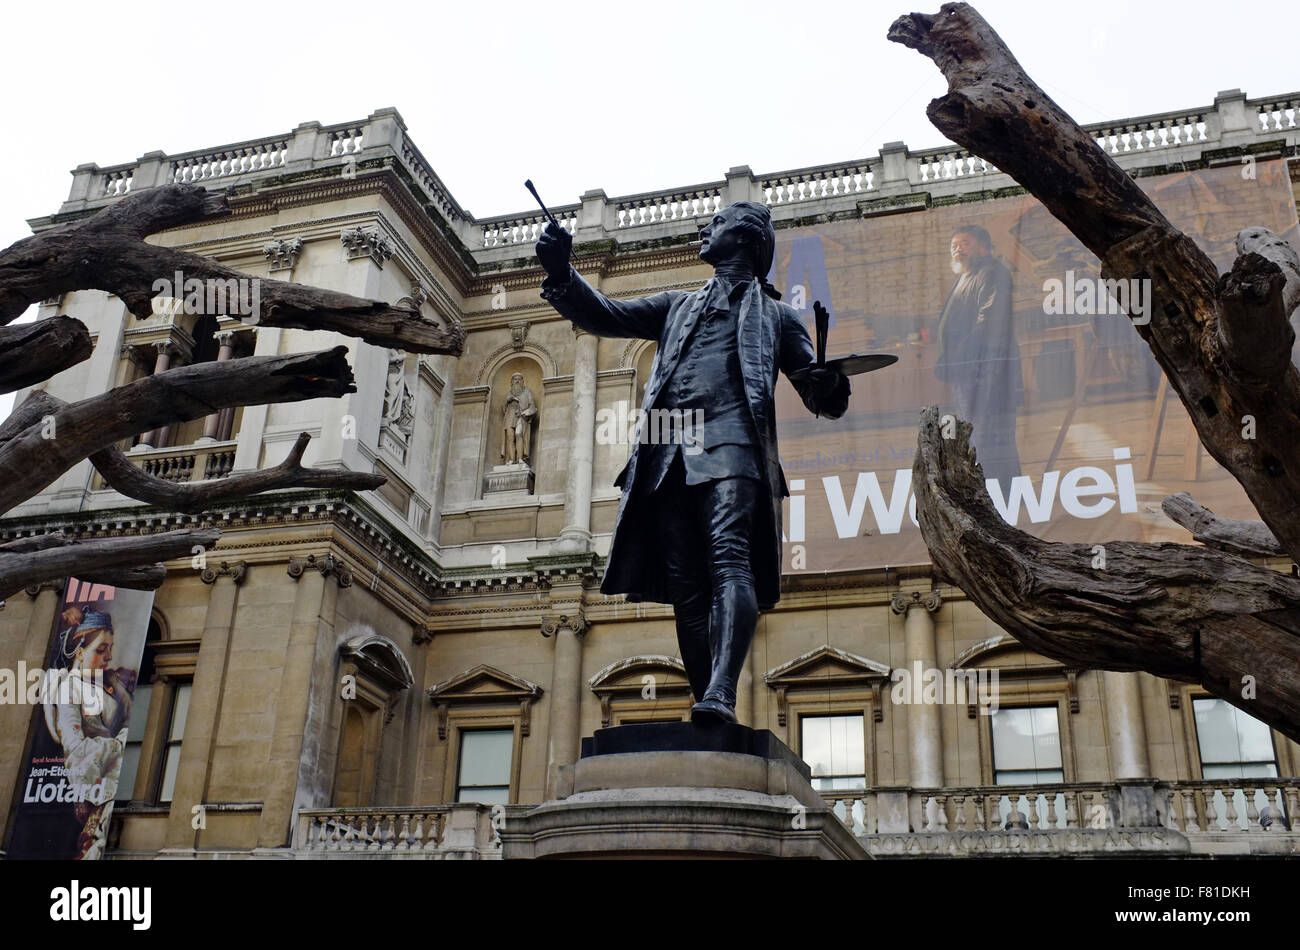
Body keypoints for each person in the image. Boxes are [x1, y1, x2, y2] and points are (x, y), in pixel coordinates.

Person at [536, 202, 850, 724]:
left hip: (734, 448)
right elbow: (605, 315)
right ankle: (709, 700)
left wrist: (830, 382)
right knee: (686, 585)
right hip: (668, 457)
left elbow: (823, 398)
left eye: (719, 223)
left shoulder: (776, 315)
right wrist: (560, 272)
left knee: (729, 560)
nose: (706, 228)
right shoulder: (676, 305)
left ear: (747, 240)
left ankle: (722, 692)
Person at [43, 605, 136, 859]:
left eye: (111, 649)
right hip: (90, 783)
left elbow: (129, 721)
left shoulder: (111, 684)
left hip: (112, 776)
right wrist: (119, 744)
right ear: (80, 653)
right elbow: (76, 748)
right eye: (101, 650)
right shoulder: (68, 690)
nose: (108, 657)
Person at [934, 224, 1022, 487]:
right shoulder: (965, 277)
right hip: (968, 373)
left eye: (964, 243)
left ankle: (1004, 493)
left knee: (992, 438)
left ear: (984, 247)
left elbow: (990, 319)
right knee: (976, 436)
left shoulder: (994, 273)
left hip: (989, 372)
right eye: (954, 245)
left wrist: (958, 356)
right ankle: (997, 492)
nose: (957, 248)